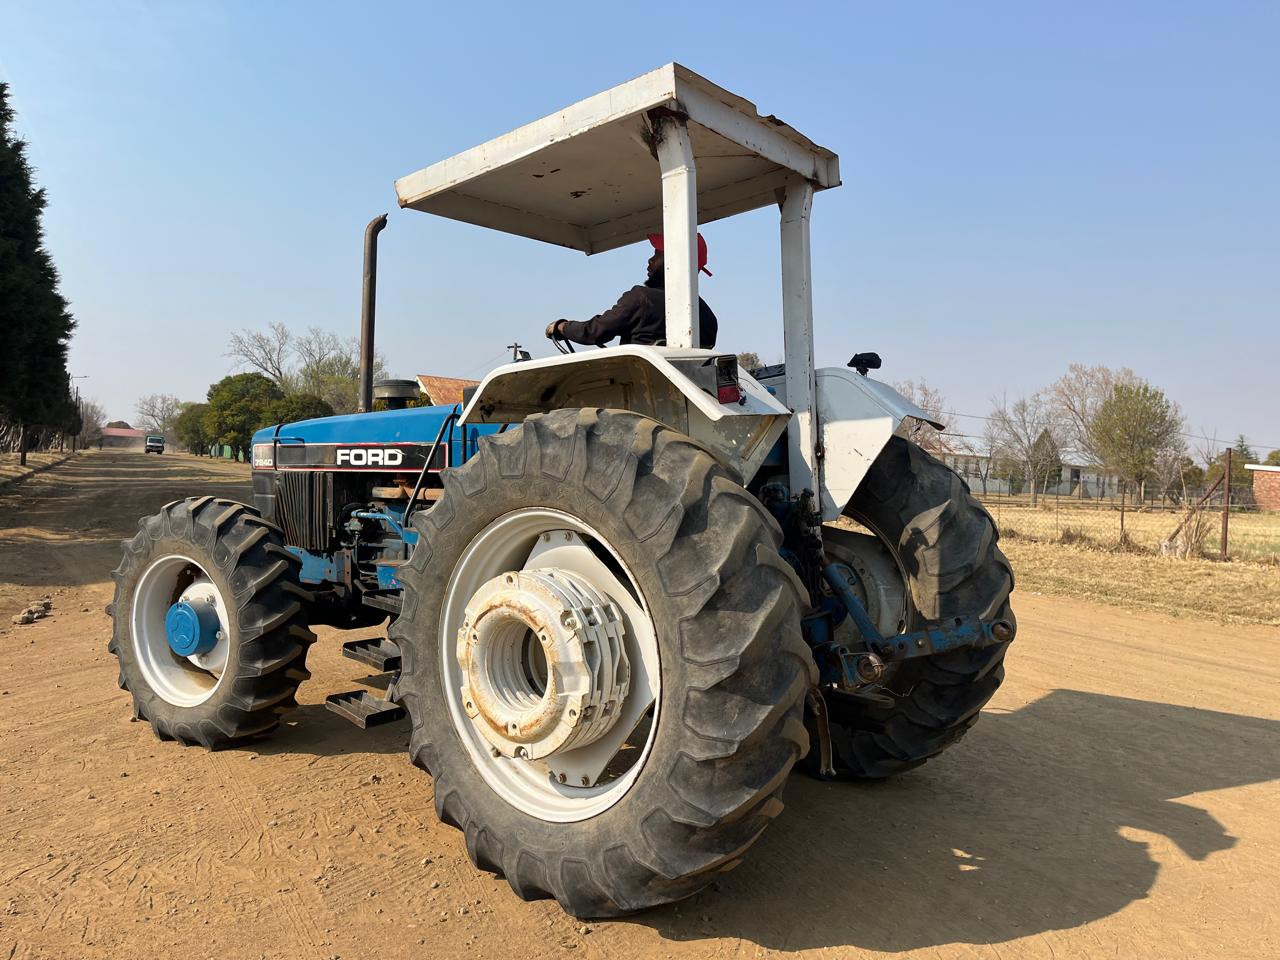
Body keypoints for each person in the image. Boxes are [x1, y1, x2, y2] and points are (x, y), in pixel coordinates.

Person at [545, 233, 718, 349]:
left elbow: (594, 332)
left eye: (657, 254)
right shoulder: (708, 317)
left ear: (675, 261)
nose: (650, 260)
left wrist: (562, 327)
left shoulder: (641, 298)